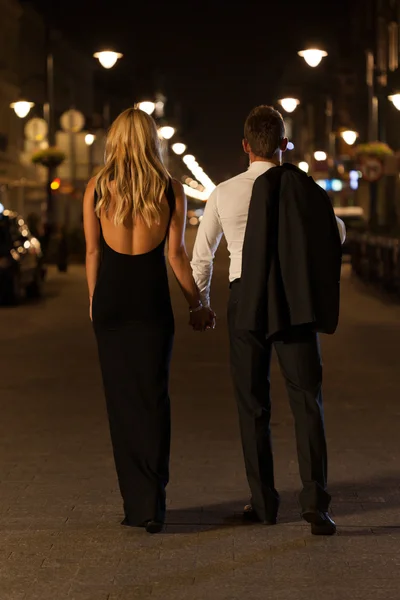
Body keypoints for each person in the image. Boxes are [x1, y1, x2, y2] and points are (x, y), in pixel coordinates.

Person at [191, 105, 345, 536]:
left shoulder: (223, 192)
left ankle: (264, 503)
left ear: (245, 146)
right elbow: (337, 235)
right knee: (305, 399)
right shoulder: (303, 188)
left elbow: (202, 257)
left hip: (246, 299)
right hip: (292, 301)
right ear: (283, 145)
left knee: (252, 404)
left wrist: (199, 303)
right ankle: (316, 501)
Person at [83, 107, 214, 534]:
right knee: (153, 399)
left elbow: (93, 253)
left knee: (120, 404)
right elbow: (175, 256)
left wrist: (93, 302)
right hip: (150, 303)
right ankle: (154, 503)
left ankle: (134, 504)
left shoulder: (98, 187)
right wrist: (197, 304)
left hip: (111, 304)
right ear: (152, 140)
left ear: (115, 140)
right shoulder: (169, 187)